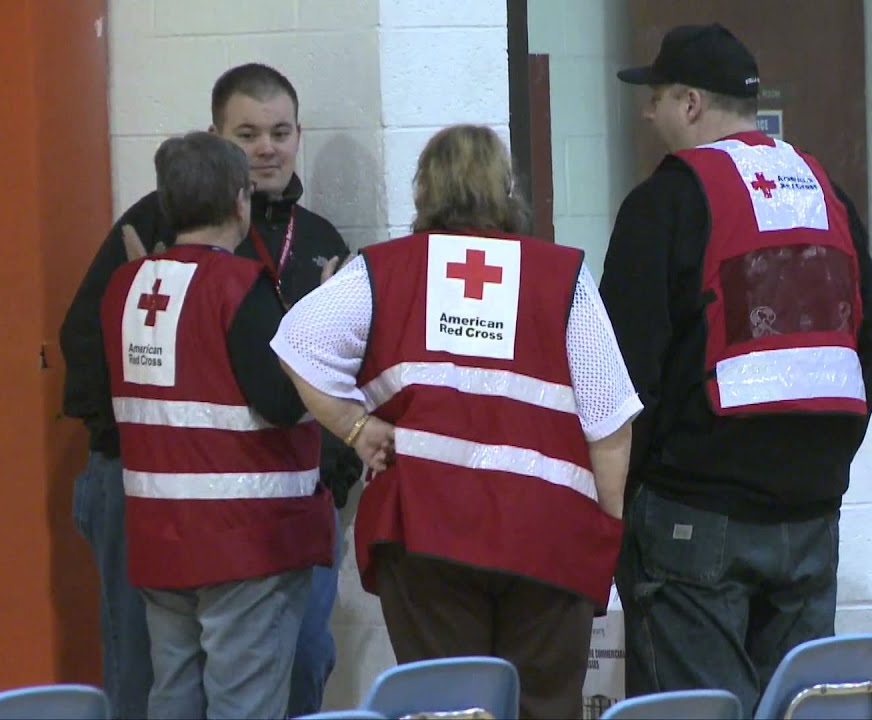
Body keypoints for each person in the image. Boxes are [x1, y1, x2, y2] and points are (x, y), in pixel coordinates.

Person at [271, 124, 643, 720]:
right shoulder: (562, 276)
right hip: (549, 536)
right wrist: (605, 528)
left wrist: (354, 427)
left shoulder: (382, 271)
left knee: (447, 709)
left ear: (424, 191)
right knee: (545, 707)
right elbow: (611, 422)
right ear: (506, 188)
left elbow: (296, 341)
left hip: (426, 531)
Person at [601, 23, 872, 715]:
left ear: (691, 103)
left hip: (695, 512)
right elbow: (866, 347)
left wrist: (629, 498)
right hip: (813, 514)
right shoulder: (829, 195)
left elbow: (622, 372)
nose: (647, 113)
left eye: (658, 97)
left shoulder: (665, 201)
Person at [59, 63, 357, 717]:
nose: (266, 147)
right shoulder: (154, 229)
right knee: (172, 682)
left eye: (280, 132)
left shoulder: (318, 240)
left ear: (299, 135)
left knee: (273, 672)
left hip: (273, 504)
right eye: (247, 133)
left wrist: (332, 474)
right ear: (218, 139)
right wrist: (144, 444)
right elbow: (88, 348)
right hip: (177, 500)